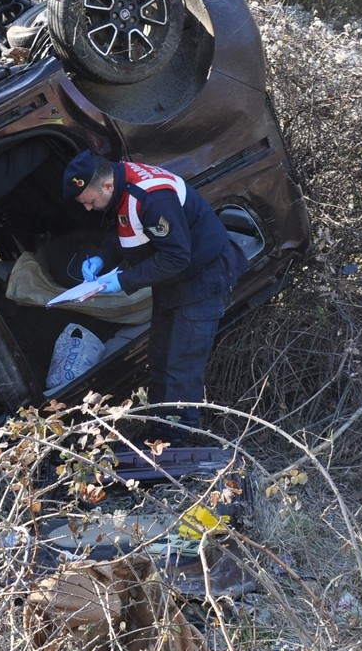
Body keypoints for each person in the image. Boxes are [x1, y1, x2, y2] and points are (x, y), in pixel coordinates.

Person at [61, 149, 248, 441]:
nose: (88, 209)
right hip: (172, 282)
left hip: (203, 278)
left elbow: (177, 257)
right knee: (160, 357)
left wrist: (123, 281)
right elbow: (122, 230)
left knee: (181, 365)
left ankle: (179, 441)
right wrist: (100, 258)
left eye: (90, 202)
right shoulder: (119, 188)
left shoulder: (152, 197)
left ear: (107, 185)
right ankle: (160, 433)